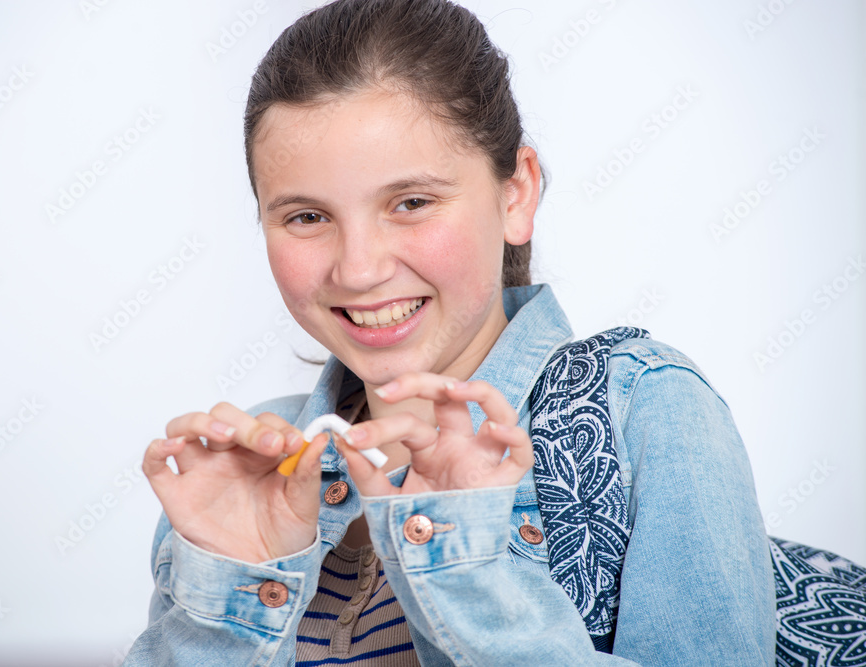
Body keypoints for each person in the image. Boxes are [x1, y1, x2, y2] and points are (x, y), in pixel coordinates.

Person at [123, 0, 778, 664]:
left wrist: (466, 566)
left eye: (411, 202)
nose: (359, 268)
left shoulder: (645, 408)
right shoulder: (240, 481)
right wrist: (225, 606)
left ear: (515, 192)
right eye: (306, 216)